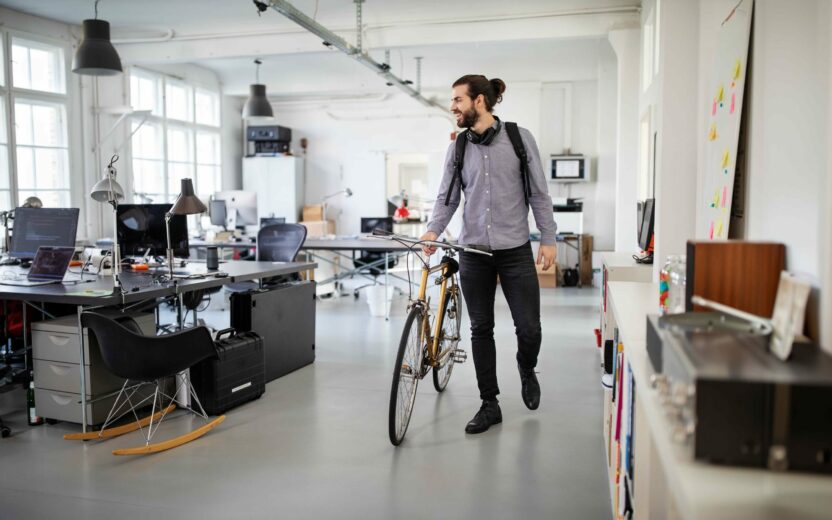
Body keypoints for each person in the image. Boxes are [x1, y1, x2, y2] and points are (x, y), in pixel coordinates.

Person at [421, 74, 557, 434]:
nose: (453, 107)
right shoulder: (458, 148)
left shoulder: (518, 139)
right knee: (481, 328)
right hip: (473, 251)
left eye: (457, 100)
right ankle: (489, 403)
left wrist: (548, 237)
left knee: (529, 328)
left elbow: (539, 194)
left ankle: (526, 367)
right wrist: (433, 229)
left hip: (515, 250)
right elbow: (447, 197)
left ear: (479, 101)